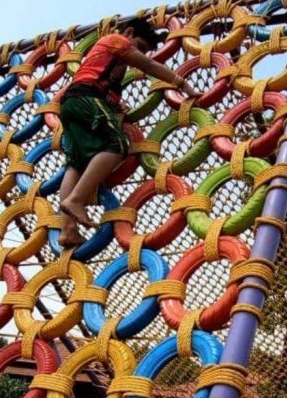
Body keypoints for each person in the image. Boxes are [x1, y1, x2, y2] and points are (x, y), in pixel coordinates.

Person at [53, 17, 200, 247]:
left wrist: (117, 104)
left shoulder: (110, 61)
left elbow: (107, 85)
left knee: (75, 164)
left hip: (71, 104)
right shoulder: (116, 41)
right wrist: (181, 83)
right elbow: (149, 66)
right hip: (85, 98)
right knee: (117, 146)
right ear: (129, 33)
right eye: (139, 47)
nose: (139, 54)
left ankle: (68, 230)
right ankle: (76, 199)